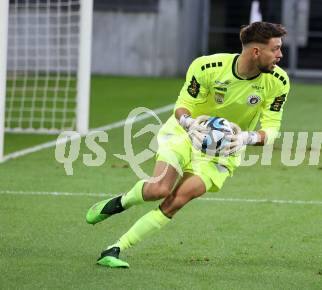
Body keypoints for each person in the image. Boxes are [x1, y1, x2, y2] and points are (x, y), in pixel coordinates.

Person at [85, 21, 291, 268]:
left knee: (178, 199)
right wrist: (189, 124)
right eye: (276, 49)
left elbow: (271, 128)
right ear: (256, 51)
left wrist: (247, 137)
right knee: (159, 189)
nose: (280, 55)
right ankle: (119, 202)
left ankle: (115, 249)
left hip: (224, 151)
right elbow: (182, 106)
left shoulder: (278, 82)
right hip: (186, 134)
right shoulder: (207, 67)